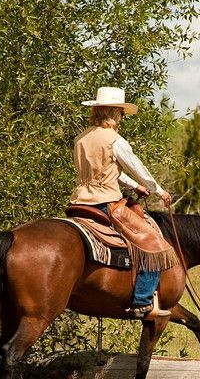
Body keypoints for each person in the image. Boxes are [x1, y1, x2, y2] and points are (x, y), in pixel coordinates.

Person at [70, 86, 177, 319]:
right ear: (112, 112)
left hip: (79, 203)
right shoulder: (115, 141)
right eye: (119, 112)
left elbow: (107, 170)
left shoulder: (81, 139)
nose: (121, 117)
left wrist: (132, 186)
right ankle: (143, 301)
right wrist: (157, 190)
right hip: (105, 203)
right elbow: (138, 168)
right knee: (152, 242)